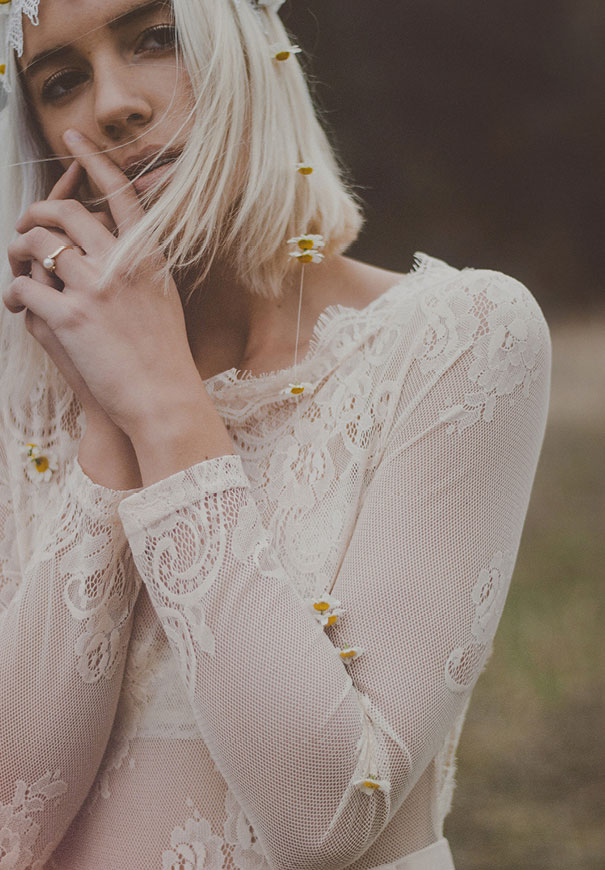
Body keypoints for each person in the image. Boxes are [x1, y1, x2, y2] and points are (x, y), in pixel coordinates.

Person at [0, 0, 551, 867]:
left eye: (156, 36)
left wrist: (161, 404)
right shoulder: (29, 395)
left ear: (253, 42)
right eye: (61, 80)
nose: (112, 105)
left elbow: (328, 816)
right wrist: (104, 417)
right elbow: (12, 823)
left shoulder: (457, 337)